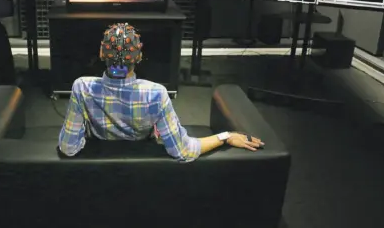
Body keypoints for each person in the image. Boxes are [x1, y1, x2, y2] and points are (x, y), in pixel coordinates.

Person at [58, 22, 264, 162]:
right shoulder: (155, 94)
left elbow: (68, 148)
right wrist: (226, 136)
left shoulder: (81, 87)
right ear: (139, 57)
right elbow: (183, 150)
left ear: (102, 53)